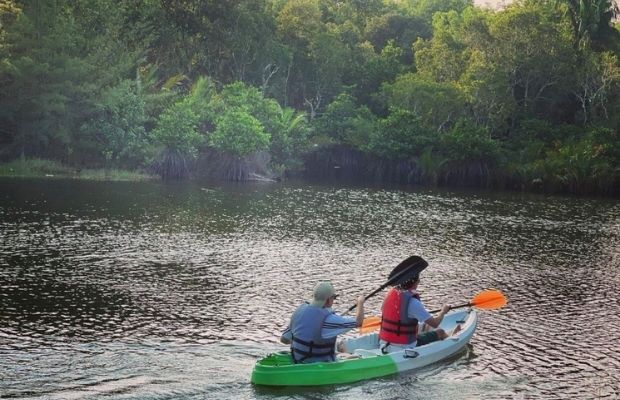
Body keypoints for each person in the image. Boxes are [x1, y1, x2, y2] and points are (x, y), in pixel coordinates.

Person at [379, 257, 460, 353]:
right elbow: (435, 323)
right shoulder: (413, 303)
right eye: (418, 280)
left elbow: (388, 311)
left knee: (425, 325)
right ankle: (450, 341)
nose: (419, 282)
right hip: (404, 346)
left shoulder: (390, 295)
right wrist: (443, 312)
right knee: (440, 332)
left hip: (384, 342)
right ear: (416, 282)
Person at [280, 281, 365, 363]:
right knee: (355, 356)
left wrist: (303, 344)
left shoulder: (299, 312)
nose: (333, 300)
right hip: (318, 363)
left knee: (340, 350)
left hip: (298, 359)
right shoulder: (329, 319)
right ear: (328, 300)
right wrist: (360, 302)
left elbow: (284, 339)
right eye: (334, 297)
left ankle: (342, 352)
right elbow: (359, 322)